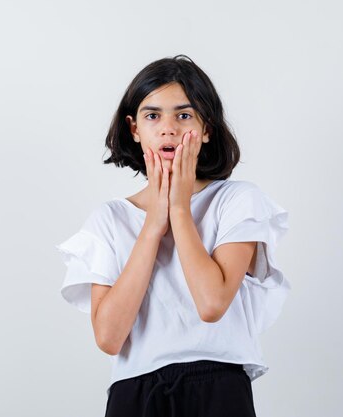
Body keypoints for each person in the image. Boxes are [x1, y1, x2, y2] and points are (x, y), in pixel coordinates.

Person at [55, 55, 290, 417]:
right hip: (135, 390)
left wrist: (179, 210)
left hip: (218, 384)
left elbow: (211, 304)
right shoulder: (110, 218)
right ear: (134, 129)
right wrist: (153, 224)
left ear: (206, 127)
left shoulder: (237, 201)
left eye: (183, 115)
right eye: (153, 116)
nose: (168, 129)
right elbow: (109, 337)